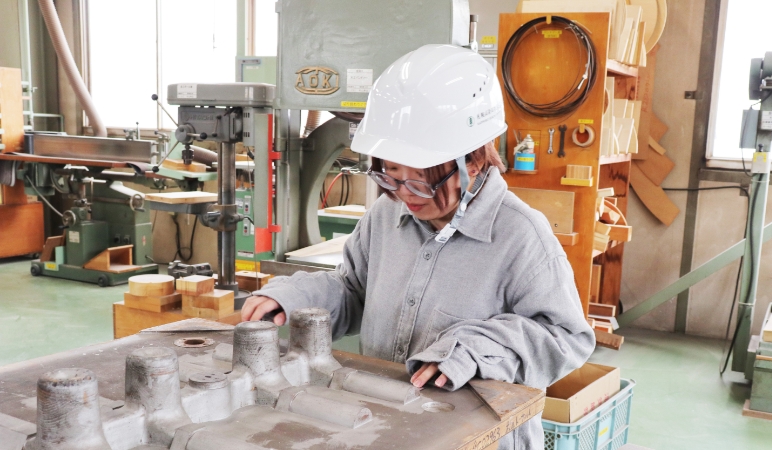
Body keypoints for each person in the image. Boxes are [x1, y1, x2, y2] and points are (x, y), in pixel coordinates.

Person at [242, 44, 595, 448]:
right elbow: (353, 289)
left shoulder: (521, 235)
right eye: (391, 173)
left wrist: (476, 350)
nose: (405, 193)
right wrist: (296, 297)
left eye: (421, 180)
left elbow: (566, 338)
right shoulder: (386, 214)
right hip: (387, 426)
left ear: (474, 161)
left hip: (475, 439)